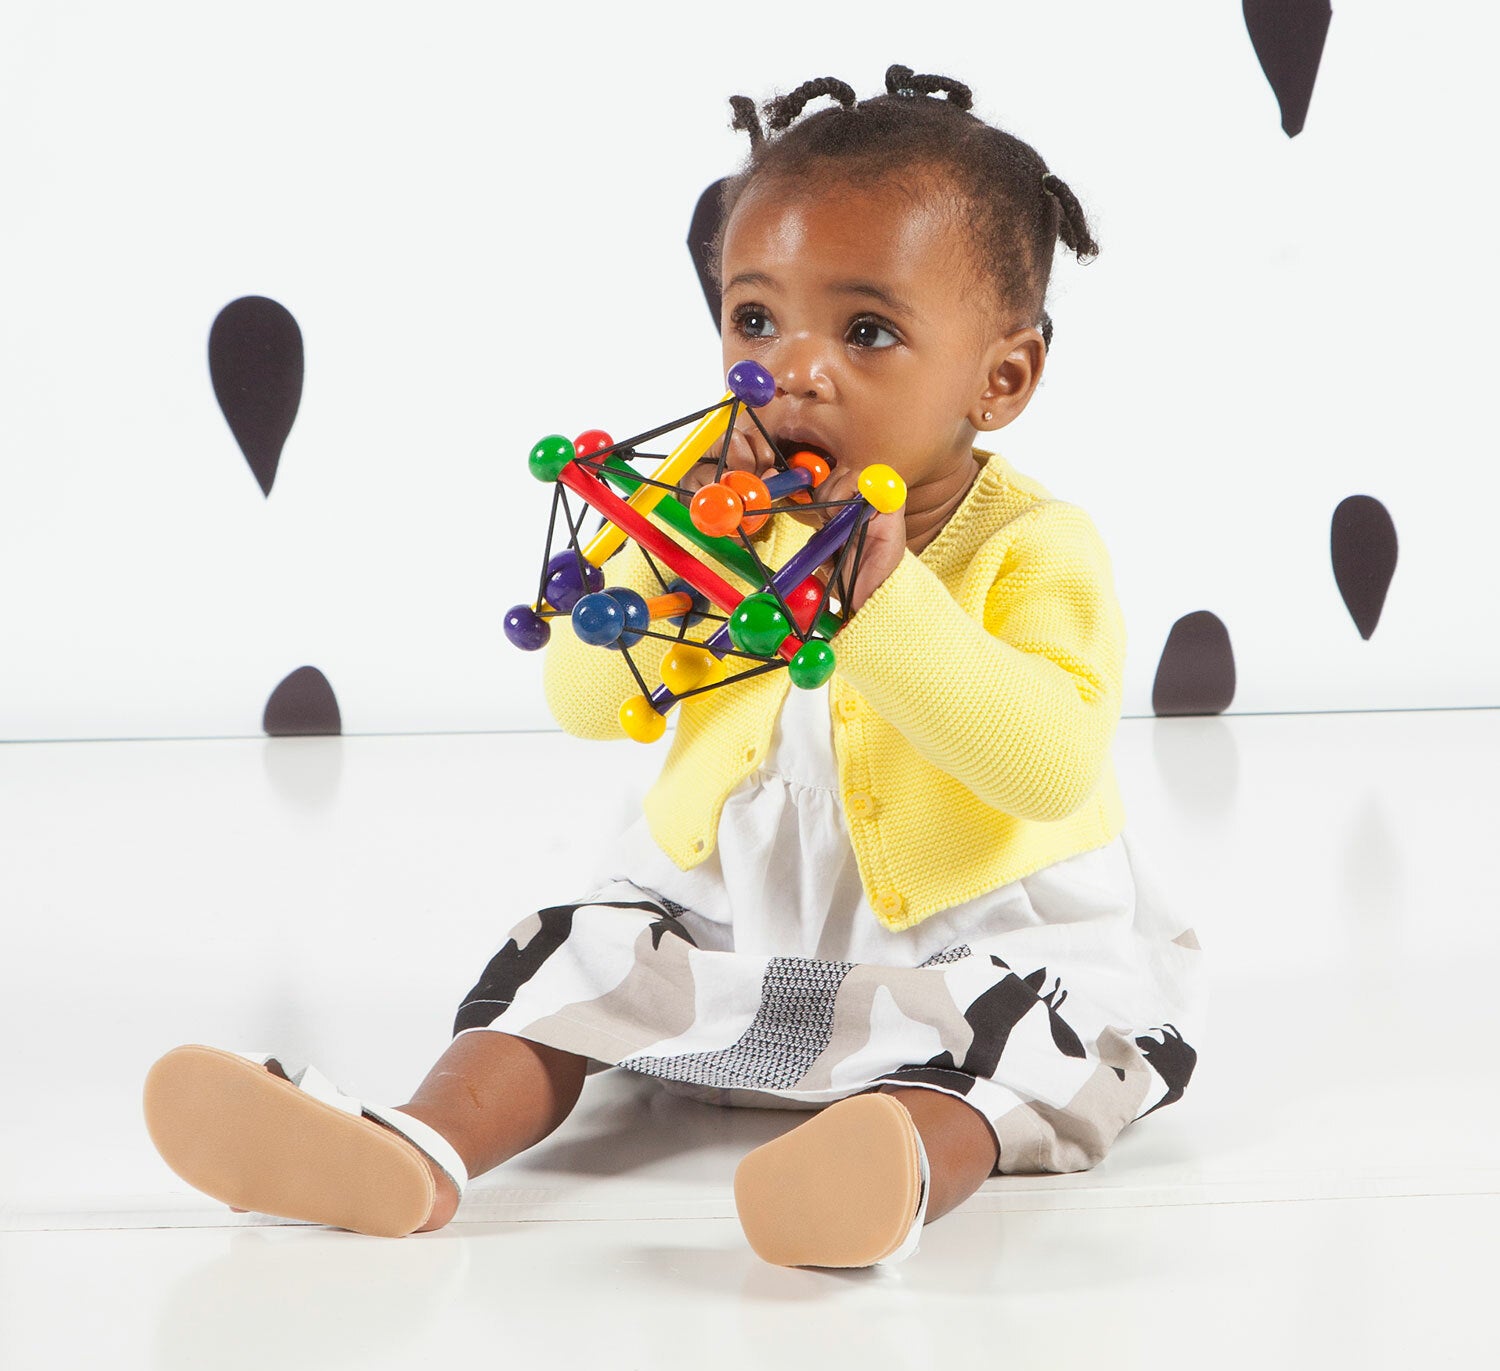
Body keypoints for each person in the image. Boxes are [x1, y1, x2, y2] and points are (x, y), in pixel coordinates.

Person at [145, 66, 1204, 1269]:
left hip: (965, 939)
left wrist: (887, 607)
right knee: (569, 954)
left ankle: (889, 1167)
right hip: (729, 921)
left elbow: (1049, 768)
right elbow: (586, 700)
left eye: (866, 332)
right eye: (756, 320)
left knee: (1044, 1039)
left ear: (999, 380)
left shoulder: (1035, 544)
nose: (794, 368)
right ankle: (417, 1146)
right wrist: (663, 556)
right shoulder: (706, 500)